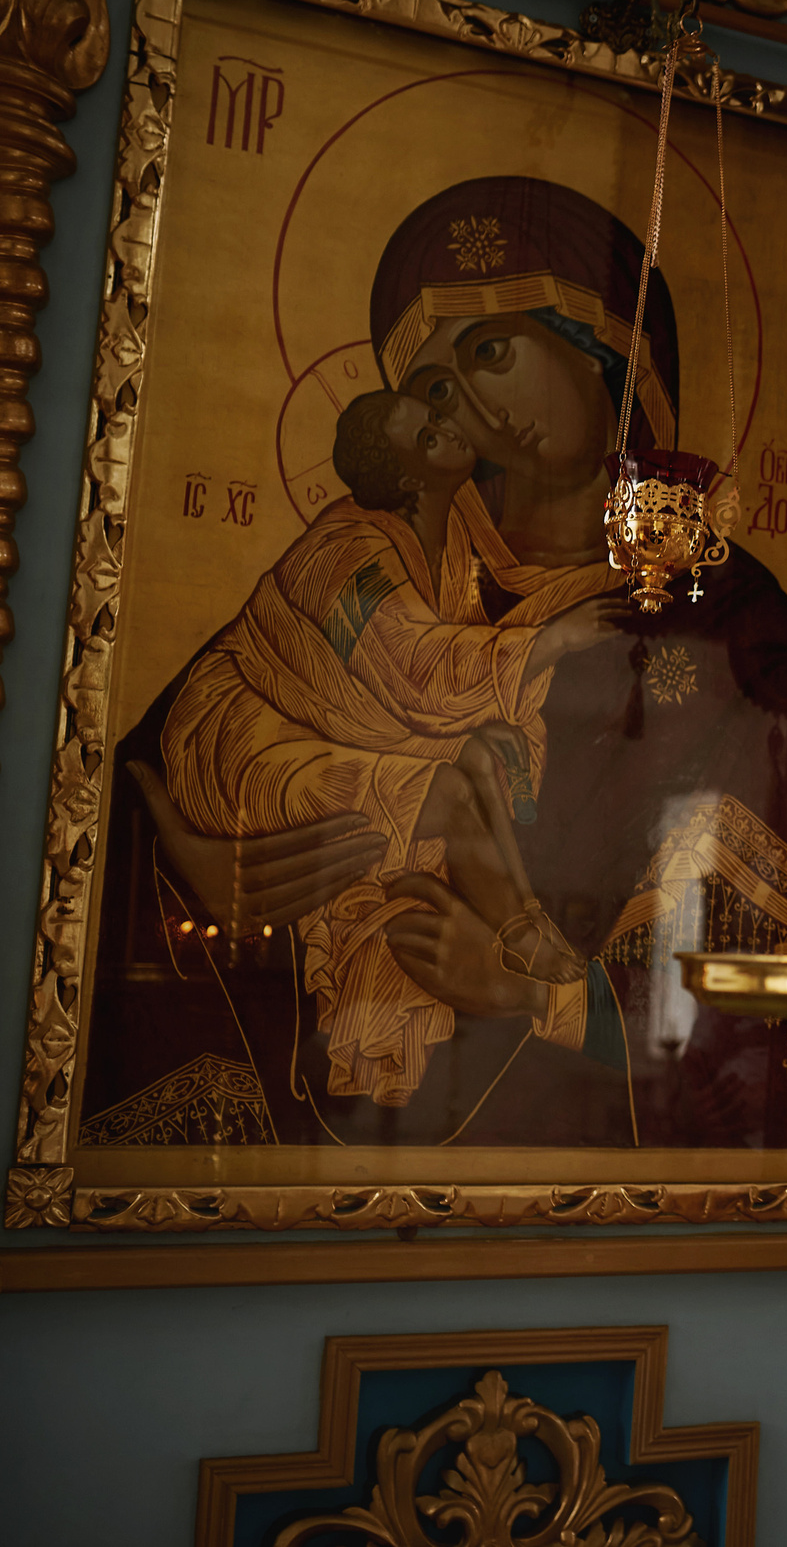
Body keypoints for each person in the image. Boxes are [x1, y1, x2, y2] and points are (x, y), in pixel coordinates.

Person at [90, 175, 787, 1153]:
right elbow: (137, 787)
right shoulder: (374, 564)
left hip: (583, 1175)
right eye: (434, 387)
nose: (470, 403)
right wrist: (201, 873)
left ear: (606, 344)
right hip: (301, 1159)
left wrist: (545, 993)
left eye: (490, 350)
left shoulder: (733, 625)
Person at [158, 386, 625, 1106]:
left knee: (470, 765)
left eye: (438, 416)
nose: (449, 425)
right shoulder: (345, 552)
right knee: (443, 793)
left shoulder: (450, 544)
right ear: (408, 475)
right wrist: (553, 640)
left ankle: (526, 933)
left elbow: (453, 668)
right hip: (239, 736)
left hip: (319, 729)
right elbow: (414, 669)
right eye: (428, 432)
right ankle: (530, 944)